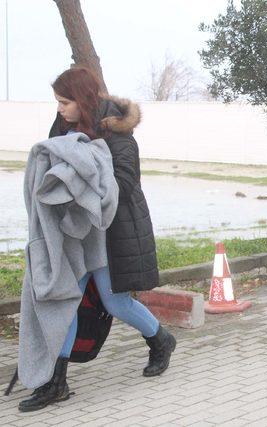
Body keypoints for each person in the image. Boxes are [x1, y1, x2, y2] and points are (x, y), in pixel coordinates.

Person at [18, 67, 176, 412]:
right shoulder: (63, 126)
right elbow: (53, 168)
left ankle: (161, 339)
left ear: (83, 99)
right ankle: (56, 383)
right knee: (66, 300)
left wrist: (82, 181)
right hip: (75, 233)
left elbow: (125, 181)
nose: (59, 108)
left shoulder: (118, 132)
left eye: (65, 101)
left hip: (111, 232)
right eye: (57, 102)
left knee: (114, 302)